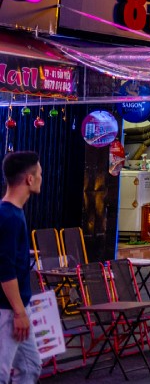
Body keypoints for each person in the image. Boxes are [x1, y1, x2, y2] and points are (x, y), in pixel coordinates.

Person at [0, 152, 43, 384]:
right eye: (40, 174)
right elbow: (5, 269)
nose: (41, 178)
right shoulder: (8, 217)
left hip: (15, 308)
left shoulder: (14, 213)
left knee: (30, 367)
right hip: (7, 310)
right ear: (29, 179)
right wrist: (19, 312)